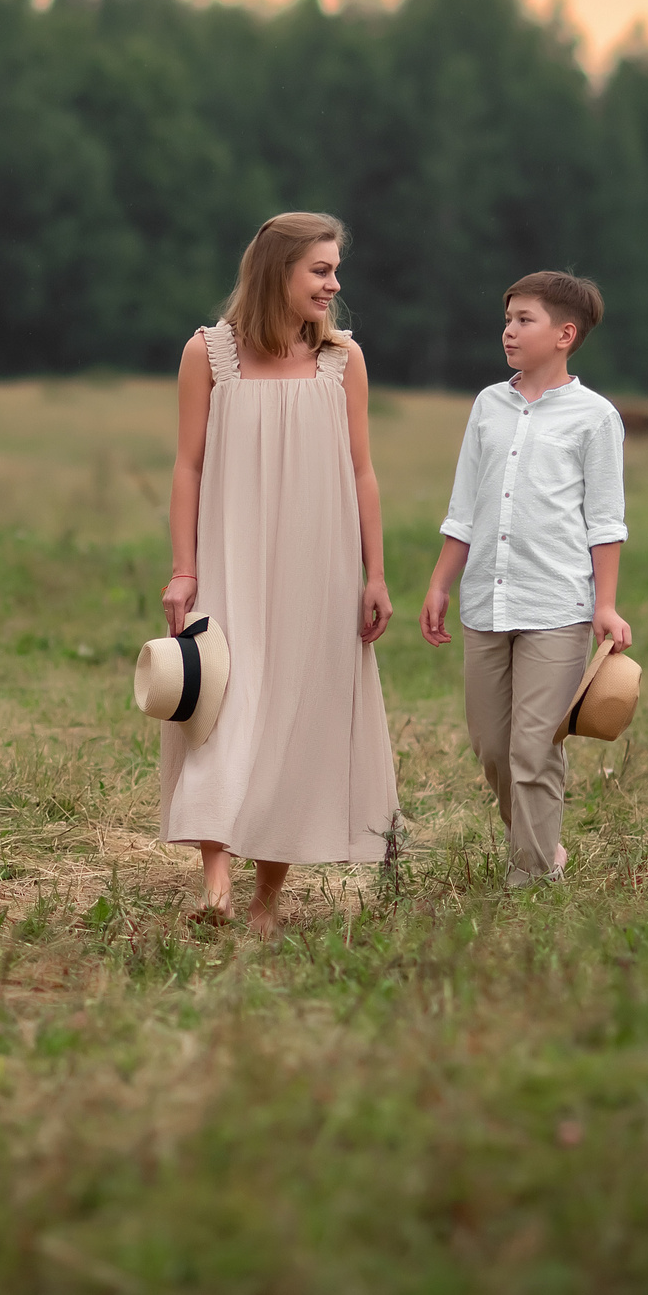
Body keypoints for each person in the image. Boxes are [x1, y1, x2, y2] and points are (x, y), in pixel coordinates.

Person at [160, 212, 401, 934]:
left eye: (335, 270)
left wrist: (376, 574)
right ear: (278, 272)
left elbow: (362, 470)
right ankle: (215, 880)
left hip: (317, 564)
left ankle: (267, 900)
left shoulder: (343, 360)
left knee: (297, 720)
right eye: (320, 270)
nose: (334, 283)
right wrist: (183, 570)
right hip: (230, 556)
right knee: (223, 709)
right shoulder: (209, 354)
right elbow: (188, 465)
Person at [418, 271, 630, 889]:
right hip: (486, 598)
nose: (509, 330)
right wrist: (440, 583)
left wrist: (605, 605)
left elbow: (606, 521)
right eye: (507, 319)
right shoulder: (488, 405)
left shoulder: (595, 418)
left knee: (535, 750)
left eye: (525, 319)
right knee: (492, 748)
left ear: (565, 334)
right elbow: (465, 506)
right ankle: (543, 845)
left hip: (557, 604)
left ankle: (532, 878)